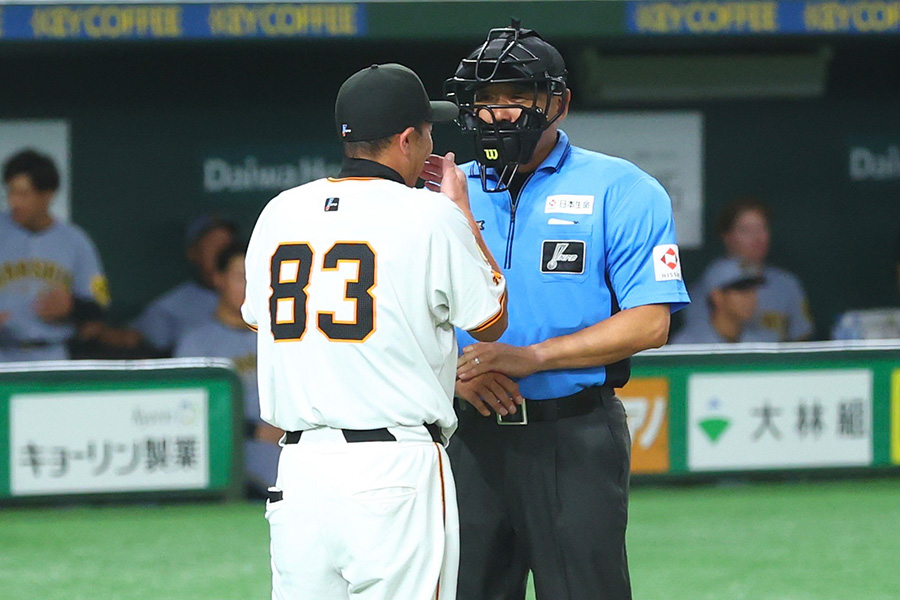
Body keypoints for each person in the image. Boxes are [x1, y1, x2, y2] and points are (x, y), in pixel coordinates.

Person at [441, 23, 690, 600]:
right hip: (464, 435)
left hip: (574, 435)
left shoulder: (623, 188)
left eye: (516, 96)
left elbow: (651, 321)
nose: (498, 114)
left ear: (559, 102)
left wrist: (531, 357)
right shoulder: (441, 192)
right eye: (485, 100)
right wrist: (449, 373)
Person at [241, 63, 508, 600]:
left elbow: (260, 317)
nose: (433, 143)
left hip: (300, 470)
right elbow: (491, 319)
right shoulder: (431, 215)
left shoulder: (279, 211)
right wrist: (463, 212)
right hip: (393, 467)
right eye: (429, 132)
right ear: (408, 139)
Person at [174, 242, 282, 496]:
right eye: (241, 278)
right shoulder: (196, 342)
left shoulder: (281, 336)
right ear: (218, 279)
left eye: (257, 279)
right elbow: (187, 414)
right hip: (234, 450)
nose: (250, 288)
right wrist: (255, 430)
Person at [0, 149, 110, 362]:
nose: (14, 202)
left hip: (52, 354)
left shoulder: (76, 241)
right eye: (11, 192)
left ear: (47, 196)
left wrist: (73, 307)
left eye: (23, 194)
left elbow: (99, 306)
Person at [681, 198, 813, 341]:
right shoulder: (708, 285)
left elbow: (801, 340)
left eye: (762, 228)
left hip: (769, 360)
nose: (757, 237)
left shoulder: (786, 283)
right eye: (746, 230)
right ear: (727, 237)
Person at [130, 214, 237, 355]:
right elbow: (131, 339)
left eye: (227, 245)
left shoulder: (259, 296)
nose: (221, 252)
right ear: (193, 253)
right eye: (212, 245)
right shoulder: (170, 307)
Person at [669, 258, 775, 344]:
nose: (751, 298)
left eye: (753, 290)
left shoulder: (764, 341)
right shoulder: (688, 344)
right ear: (717, 296)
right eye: (742, 289)